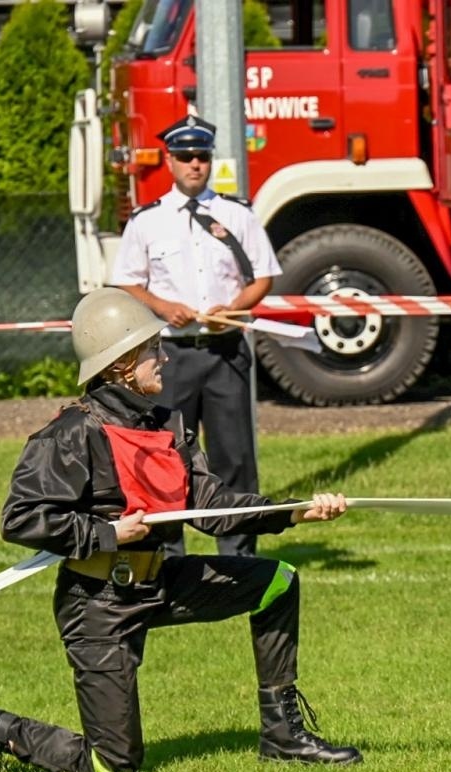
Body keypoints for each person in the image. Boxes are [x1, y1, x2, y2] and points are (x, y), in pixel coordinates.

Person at [0, 288, 361, 772]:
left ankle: (283, 736)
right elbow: (21, 518)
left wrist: (295, 513)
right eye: (152, 350)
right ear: (121, 362)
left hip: (160, 582)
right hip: (97, 603)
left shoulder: (168, 425)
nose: (164, 358)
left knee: (277, 581)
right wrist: (107, 533)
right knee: (111, 766)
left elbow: (210, 507)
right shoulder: (71, 434)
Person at [112, 113, 281, 555]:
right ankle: (169, 555)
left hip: (225, 352)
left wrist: (236, 307)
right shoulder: (147, 221)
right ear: (169, 161)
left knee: (235, 459)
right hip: (171, 356)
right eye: (185, 157)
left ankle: (240, 556)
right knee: (165, 458)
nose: (194, 165)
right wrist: (164, 308)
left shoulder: (235, 213)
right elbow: (127, 281)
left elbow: (264, 276)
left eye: (201, 157)